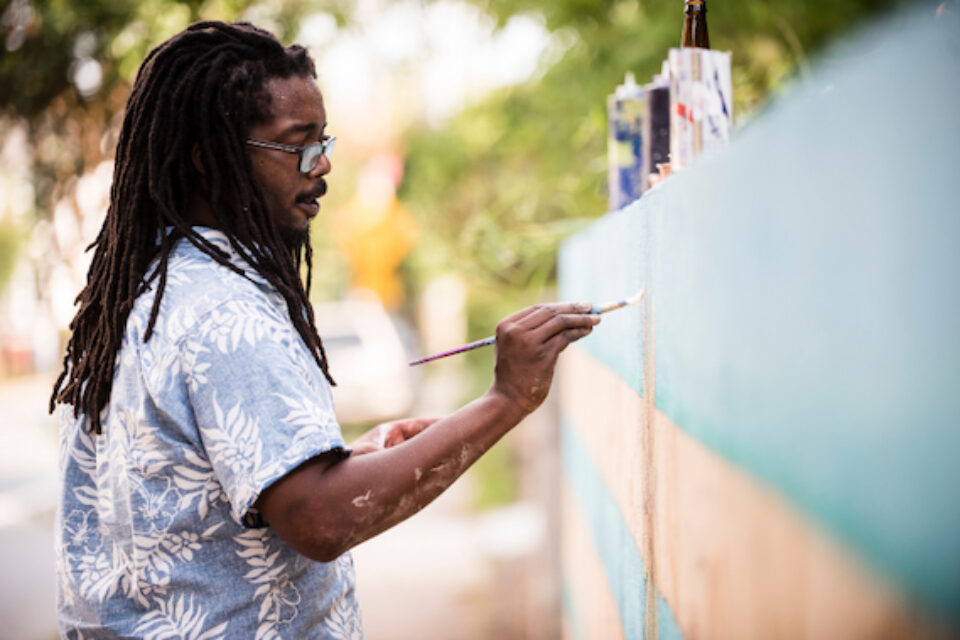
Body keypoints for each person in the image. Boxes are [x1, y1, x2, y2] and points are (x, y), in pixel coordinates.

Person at [49, 21, 599, 639]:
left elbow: (215, 498)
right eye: (299, 145)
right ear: (211, 161)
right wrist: (506, 400)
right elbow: (320, 520)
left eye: (323, 140)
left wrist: (346, 463)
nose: (324, 164)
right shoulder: (225, 312)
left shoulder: (147, 289)